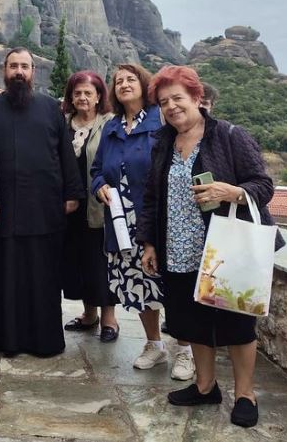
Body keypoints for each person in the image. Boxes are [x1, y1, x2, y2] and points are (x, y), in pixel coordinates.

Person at [137, 65, 281, 428]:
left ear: (198, 99)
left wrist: (232, 191)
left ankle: (245, 394)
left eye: (178, 99)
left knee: (236, 324)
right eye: (164, 102)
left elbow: (263, 184)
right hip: (177, 248)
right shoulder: (163, 142)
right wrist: (149, 242)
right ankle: (205, 387)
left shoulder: (229, 136)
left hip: (223, 248)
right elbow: (152, 196)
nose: (171, 107)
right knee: (193, 322)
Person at [91, 64, 194, 379]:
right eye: (118, 80)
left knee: (170, 283)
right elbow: (97, 170)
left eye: (130, 79)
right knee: (138, 284)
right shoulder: (111, 128)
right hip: (121, 223)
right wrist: (100, 188)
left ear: (144, 84)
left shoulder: (160, 119)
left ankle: (186, 350)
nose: (123, 84)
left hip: (159, 218)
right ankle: (154, 345)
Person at [0, 48, 83, 357]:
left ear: (33, 71)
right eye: (14, 66)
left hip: (45, 206)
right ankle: (7, 339)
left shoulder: (51, 109)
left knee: (43, 276)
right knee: (5, 276)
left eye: (25, 66)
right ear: (4, 70)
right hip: (5, 208)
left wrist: (72, 193)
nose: (19, 72)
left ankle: (44, 341)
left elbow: (65, 152)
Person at [59, 72, 119, 342]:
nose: (82, 98)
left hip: (99, 205)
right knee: (76, 261)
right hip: (69, 206)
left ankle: (109, 318)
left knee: (101, 262)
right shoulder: (63, 124)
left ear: (98, 97)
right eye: (77, 93)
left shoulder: (109, 124)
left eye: (88, 93)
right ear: (71, 97)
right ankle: (88, 313)